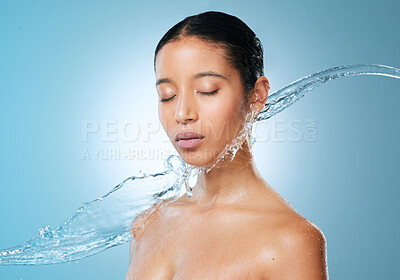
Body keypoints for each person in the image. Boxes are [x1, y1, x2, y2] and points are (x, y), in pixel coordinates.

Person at [126, 11, 328, 279]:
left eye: (207, 90)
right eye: (167, 96)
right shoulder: (146, 224)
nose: (182, 113)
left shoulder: (290, 241)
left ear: (257, 95)